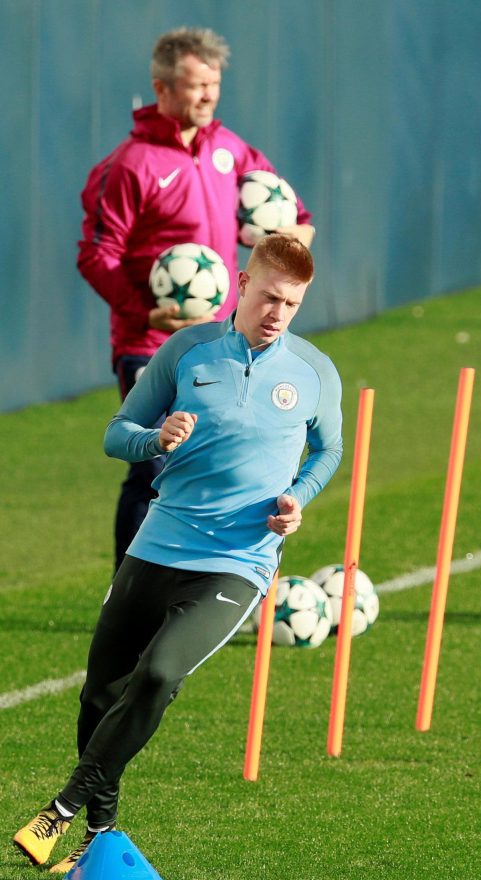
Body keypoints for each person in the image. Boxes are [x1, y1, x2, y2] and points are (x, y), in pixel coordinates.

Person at [13, 234, 342, 874]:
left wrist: (298, 496)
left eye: (293, 304)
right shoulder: (186, 351)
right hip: (158, 543)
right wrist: (155, 438)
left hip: (237, 562)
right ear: (243, 285)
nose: (278, 313)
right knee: (100, 694)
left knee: (159, 675)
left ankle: (61, 809)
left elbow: (328, 449)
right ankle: (100, 833)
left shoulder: (313, 373)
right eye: (271, 296)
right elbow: (116, 435)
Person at [78, 26, 315, 570]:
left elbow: (290, 217)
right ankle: (130, 591)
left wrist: (296, 235)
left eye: (214, 84)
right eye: (195, 85)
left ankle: (217, 578)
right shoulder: (132, 164)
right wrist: (146, 312)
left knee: (225, 461)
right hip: (152, 341)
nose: (208, 95)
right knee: (155, 462)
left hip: (225, 341)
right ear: (161, 89)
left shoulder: (230, 151)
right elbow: (97, 253)